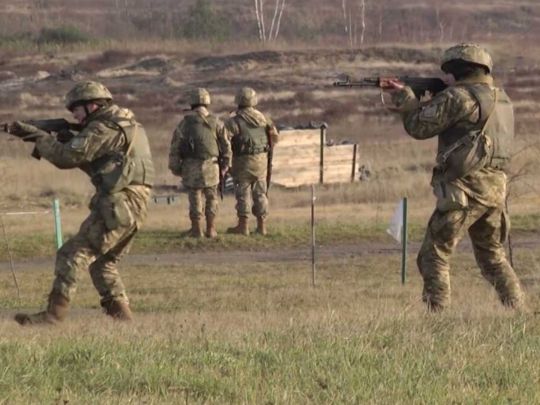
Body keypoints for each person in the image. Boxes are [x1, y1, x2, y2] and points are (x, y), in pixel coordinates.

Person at [384, 43, 524, 311]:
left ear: (457, 69)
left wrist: (405, 98)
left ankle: (438, 317)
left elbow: (418, 127)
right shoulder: (501, 98)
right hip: (495, 189)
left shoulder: (458, 97)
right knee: (493, 257)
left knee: (433, 254)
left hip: (465, 189)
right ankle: (518, 310)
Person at [8, 81, 154, 324]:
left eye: (76, 109)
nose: (74, 115)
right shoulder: (126, 125)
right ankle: (125, 322)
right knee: (102, 264)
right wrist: (66, 139)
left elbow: (66, 158)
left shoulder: (104, 128)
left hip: (120, 204)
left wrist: (40, 138)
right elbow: (102, 167)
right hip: (131, 205)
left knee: (71, 254)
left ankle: (53, 316)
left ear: (92, 105)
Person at [168, 88, 231, 238]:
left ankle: (196, 230)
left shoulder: (184, 124)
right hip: (212, 166)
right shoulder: (217, 123)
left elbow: (175, 148)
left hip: (191, 166)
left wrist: (176, 168)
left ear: (191, 103)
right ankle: (211, 229)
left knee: (195, 196)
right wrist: (225, 165)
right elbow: (226, 146)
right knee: (212, 197)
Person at [225, 87, 279, 236]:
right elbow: (275, 138)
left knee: (243, 193)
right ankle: (262, 227)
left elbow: (224, 141)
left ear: (238, 101)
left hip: (242, 162)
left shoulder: (233, 121)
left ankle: (243, 226)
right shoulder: (264, 119)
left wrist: (227, 160)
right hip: (261, 162)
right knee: (261, 193)